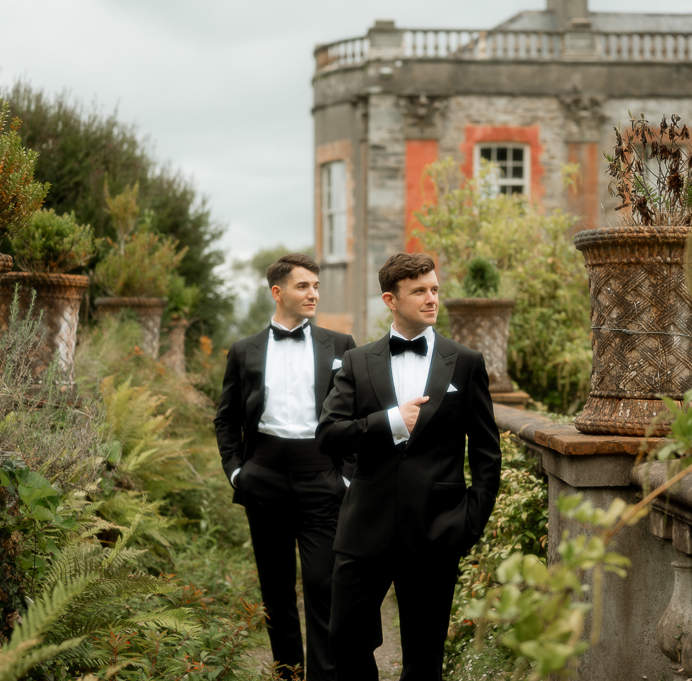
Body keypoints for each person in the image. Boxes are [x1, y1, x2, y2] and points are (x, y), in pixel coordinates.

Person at [316, 252, 502, 681]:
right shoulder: (358, 361)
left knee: (424, 658)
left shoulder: (466, 362)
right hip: (364, 529)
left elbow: (487, 455)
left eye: (434, 289)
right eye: (419, 291)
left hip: (436, 532)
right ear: (390, 299)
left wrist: (469, 522)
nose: (431, 298)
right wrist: (390, 421)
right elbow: (328, 434)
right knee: (345, 641)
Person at [215, 253, 355, 681]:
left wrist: (346, 476)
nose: (313, 293)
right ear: (277, 292)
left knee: (323, 586)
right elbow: (226, 417)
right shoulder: (244, 350)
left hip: (323, 478)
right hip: (265, 479)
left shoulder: (341, 345)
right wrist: (238, 472)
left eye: (315, 285)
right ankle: (288, 675)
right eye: (303, 286)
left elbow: (356, 414)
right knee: (275, 592)